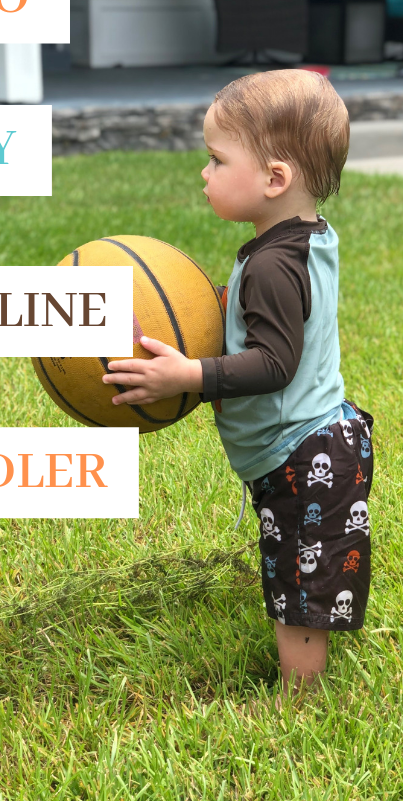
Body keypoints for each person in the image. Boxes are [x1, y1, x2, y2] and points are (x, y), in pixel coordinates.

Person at [102, 69, 373, 701]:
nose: (204, 173)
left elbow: (274, 363)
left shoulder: (274, 266)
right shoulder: (295, 240)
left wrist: (188, 375)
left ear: (275, 179)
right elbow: (262, 323)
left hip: (306, 456)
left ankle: (299, 701)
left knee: (300, 586)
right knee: (292, 566)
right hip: (304, 448)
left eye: (217, 160)